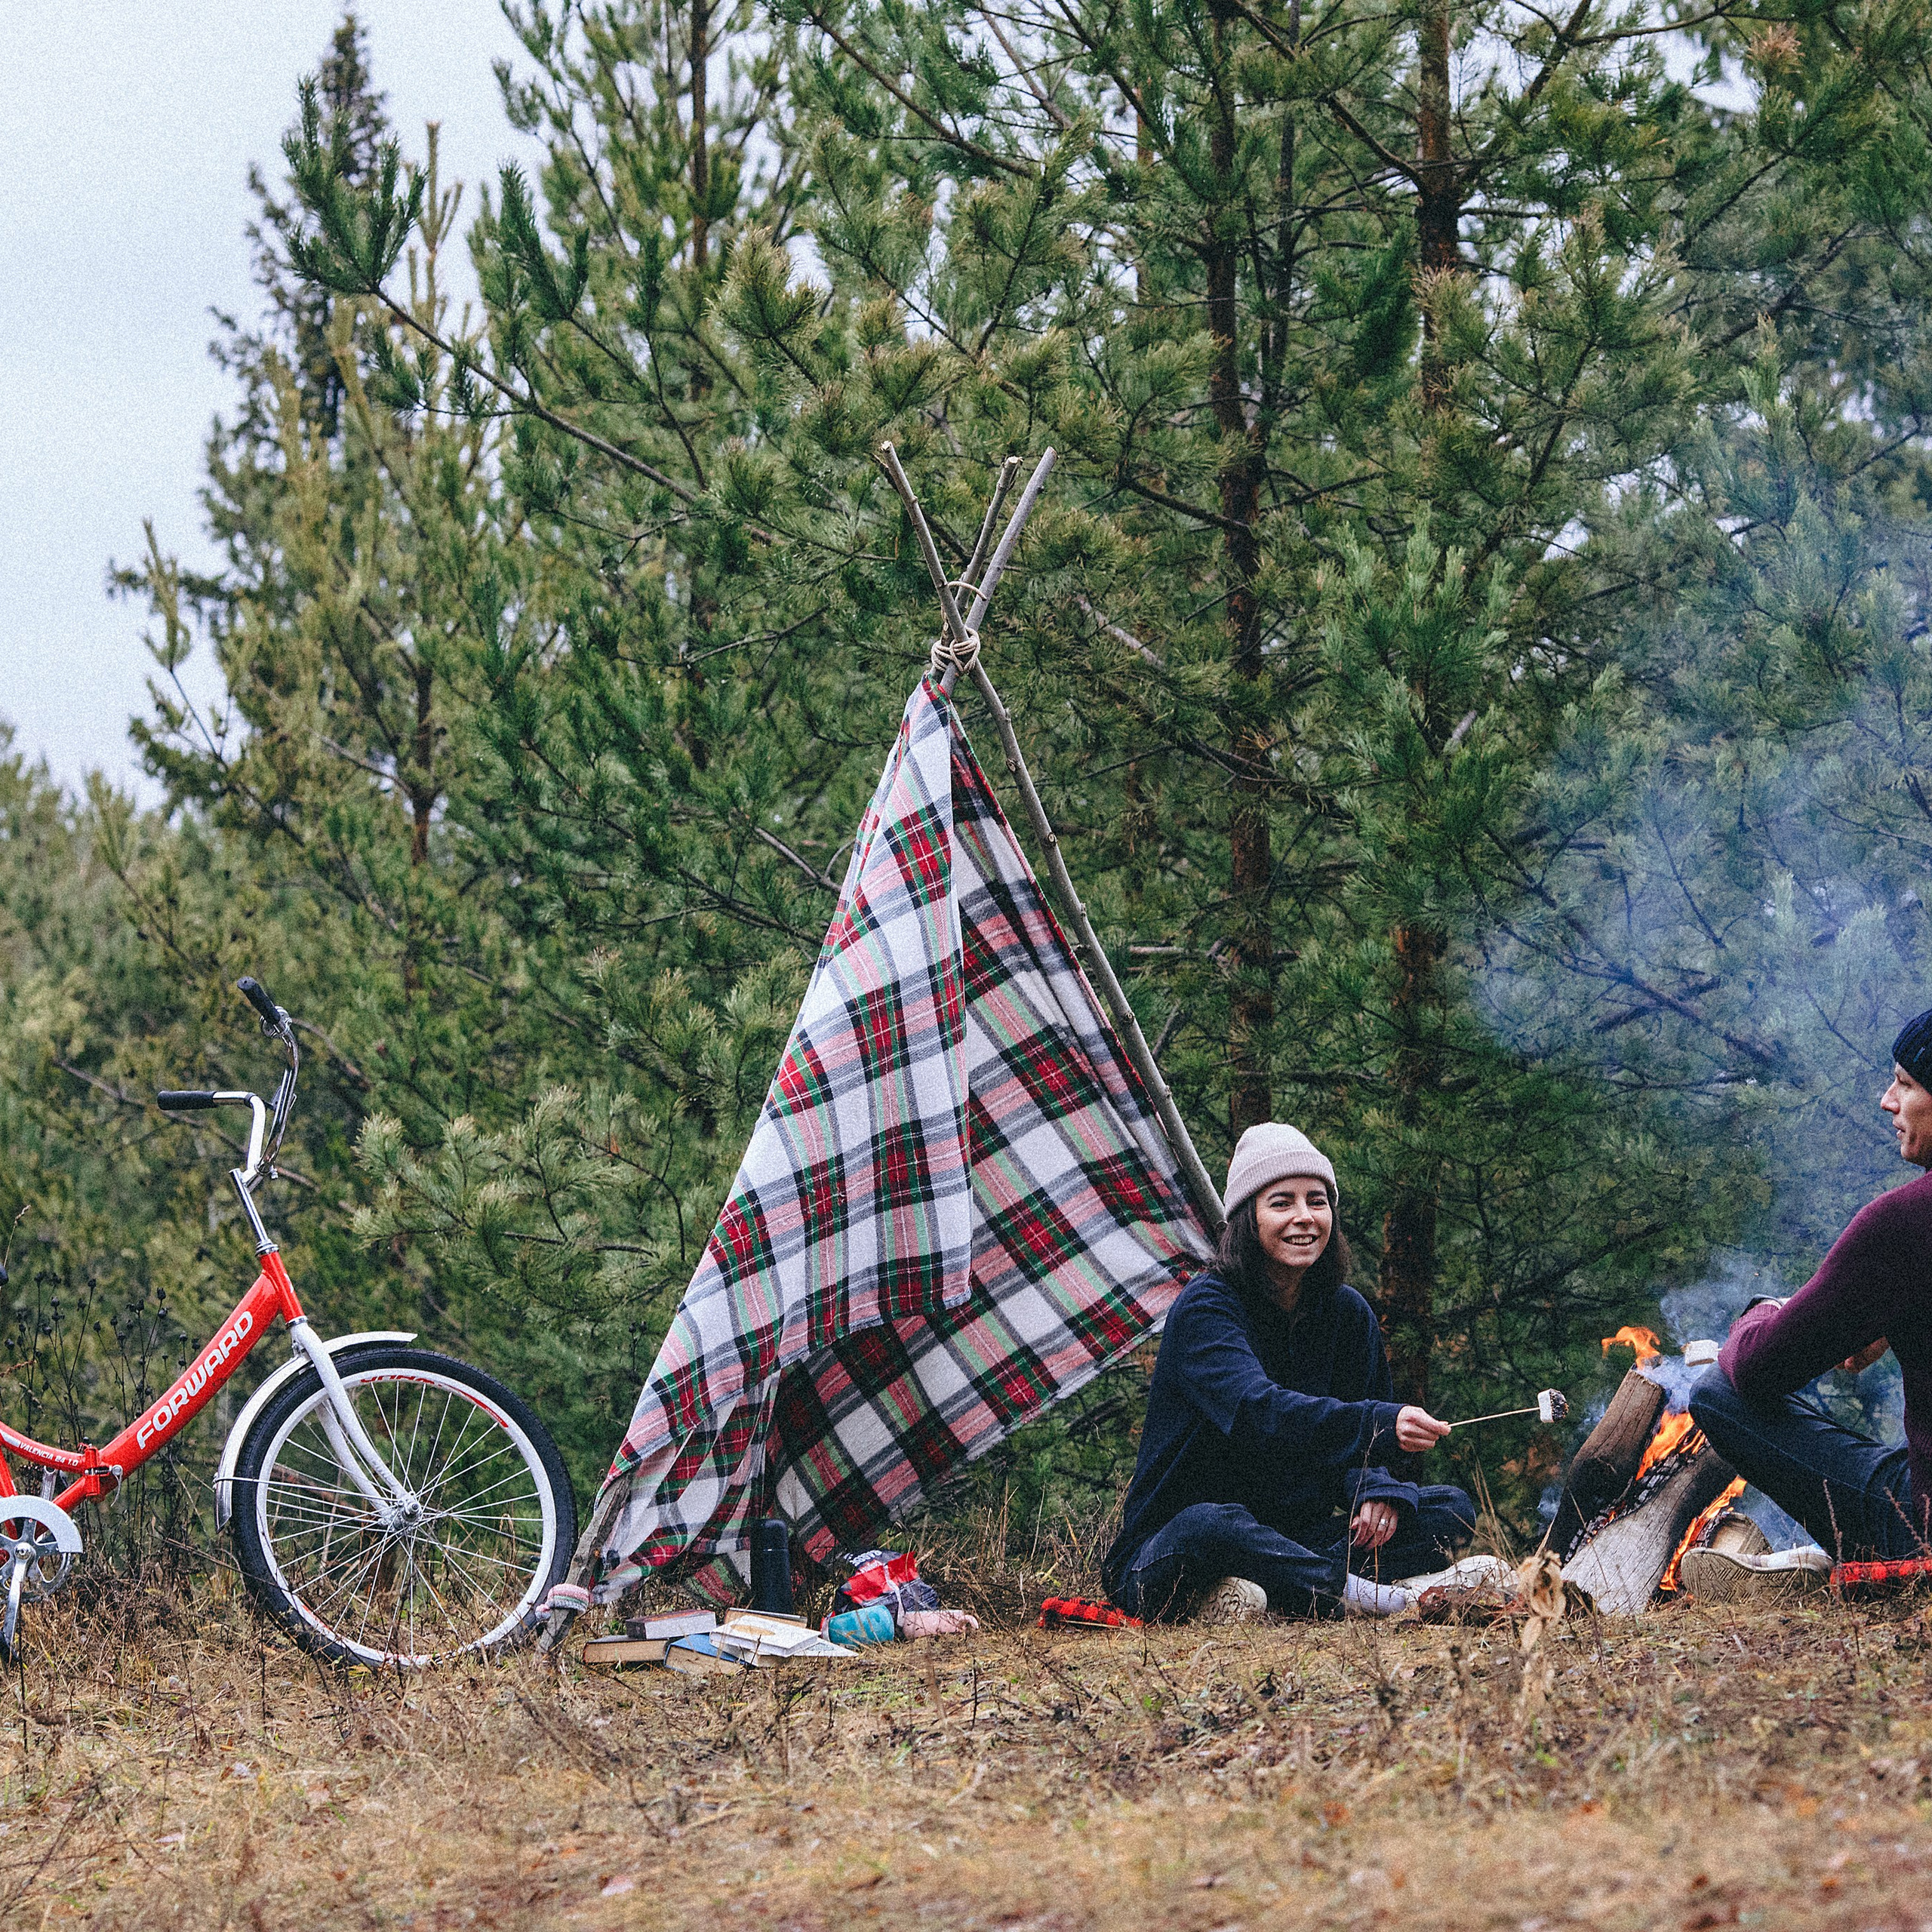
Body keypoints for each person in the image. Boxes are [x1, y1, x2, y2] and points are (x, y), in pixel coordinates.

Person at [1101, 1123, 1491, 1623]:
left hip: (1290, 1539)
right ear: (1249, 1218)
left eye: (1318, 1201)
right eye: (1282, 1202)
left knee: (1449, 1509)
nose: (1305, 1218)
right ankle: (1382, 1600)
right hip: (1170, 1548)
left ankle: (1276, 1592)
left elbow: (1355, 1437)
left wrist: (1377, 1488)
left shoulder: (1346, 1313)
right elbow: (1256, 1411)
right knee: (1214, 1524)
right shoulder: (1206, 1307)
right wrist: (1378, 1423)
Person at [1690, 1008, 1932, 1573]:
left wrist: (1765, 1311)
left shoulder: (1906, 1222)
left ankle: (1819, 1567)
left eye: (1906, 1083)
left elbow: (1759, 1368)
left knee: (1714, 1393)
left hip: (1922, 1527)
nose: (1887, 1101)